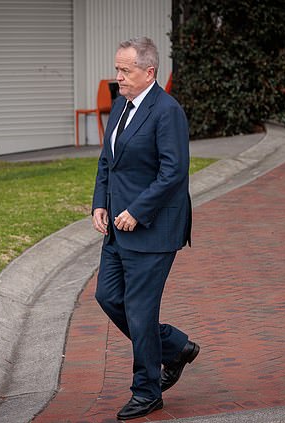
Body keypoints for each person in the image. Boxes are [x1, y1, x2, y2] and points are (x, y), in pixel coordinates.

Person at [91, 36, 199, 420]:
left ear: (149, 71)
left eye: (125, 70)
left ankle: (147, 390)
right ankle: (173, 347)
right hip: (117, 227)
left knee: (139, 310)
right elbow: (108, 162)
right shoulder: (121, 105)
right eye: (117, 68)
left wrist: (137, 211)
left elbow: (174, 172)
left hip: (152, 229)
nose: (117, 76)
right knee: (107, 296)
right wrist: (100, 203)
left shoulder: (167, 111)